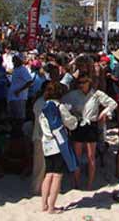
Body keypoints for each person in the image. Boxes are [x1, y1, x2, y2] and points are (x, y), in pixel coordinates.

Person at [62, 75, 117, 190]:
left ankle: (90, 183)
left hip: (91, 125)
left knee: (91, 156)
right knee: (76, 155)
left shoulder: (97, 94)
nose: (81, 85)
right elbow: (62, 103)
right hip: (78, 124)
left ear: (89, 82)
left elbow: (112, 104)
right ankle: (76, 182)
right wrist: (70, 114)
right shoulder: (74, 94)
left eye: (83, 82)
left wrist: (104, 113)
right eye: (79, 83)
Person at [39, 82, 78, 214]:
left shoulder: (43, 107)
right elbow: (71, 124)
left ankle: (44, 204)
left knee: (48, 174)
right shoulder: (59, 107)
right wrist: (75, 118)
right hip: (58, 144)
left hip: (46, 143)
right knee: (57, 176)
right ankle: (51, 207)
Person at [8, 53, 32, 125]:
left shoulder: (23, 69)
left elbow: (29, 81)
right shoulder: (15, 69)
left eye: (15, 59)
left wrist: (19, 90)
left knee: (19, 117)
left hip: (20, 98)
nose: (13, 61)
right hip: (12, 97)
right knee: (13, 117)